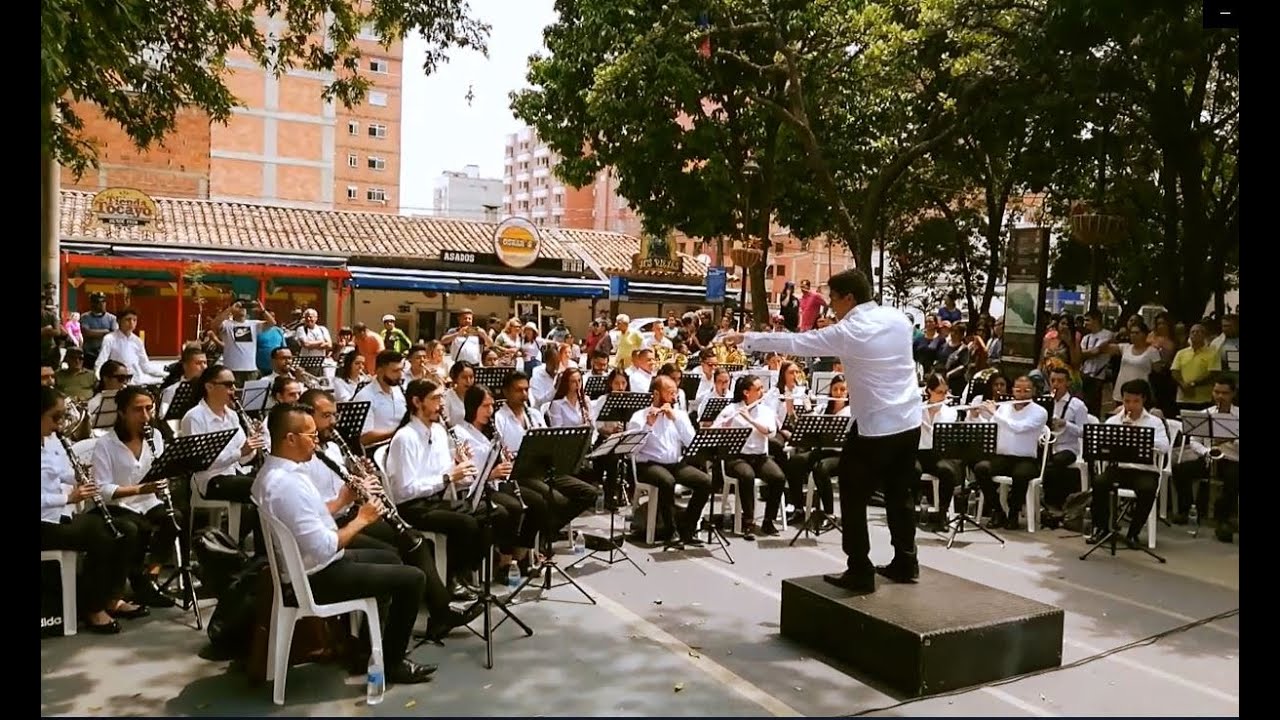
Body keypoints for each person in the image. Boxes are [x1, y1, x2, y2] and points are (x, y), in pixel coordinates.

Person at [721, 269, 921, 594]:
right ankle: (906, 560)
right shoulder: (898, 318)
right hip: (909, 421)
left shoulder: (849, 330)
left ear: (849, 298)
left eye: (833, 299)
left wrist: (748, 338)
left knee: (853, 495)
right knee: (900, 494)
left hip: (875, 427)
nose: (831, 306)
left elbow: (798, 342)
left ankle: (859, 569)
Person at [252, 402, 436, 685]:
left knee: (391, 558)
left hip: (309, 565)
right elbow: (326, 547)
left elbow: (308, 521)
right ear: (290, 439)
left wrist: (342, 500)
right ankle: (393, 663)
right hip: (317, 576)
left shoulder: (274, 474)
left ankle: (367, 648)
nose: (316, 442)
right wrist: (362, 519)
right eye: (311, 436)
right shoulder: (287, 485)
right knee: (413, 579)